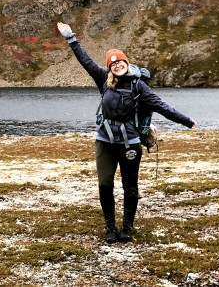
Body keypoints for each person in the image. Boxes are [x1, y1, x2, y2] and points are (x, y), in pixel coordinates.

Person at [57, 22, 197, 244]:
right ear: (109, 68)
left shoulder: (138, 86)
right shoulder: (104, 80)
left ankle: (127, 228)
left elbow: (161, 106)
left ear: (126, 63)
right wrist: (71, 38)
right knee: (105, 184)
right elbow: (85, 61)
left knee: (130, 187)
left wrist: (186, 120)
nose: (117, 65)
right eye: (113, 64)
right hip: (105, 141)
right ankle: (110, 227)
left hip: (130, 142)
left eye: (120, 61)